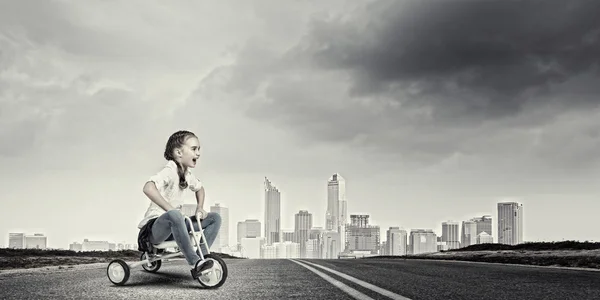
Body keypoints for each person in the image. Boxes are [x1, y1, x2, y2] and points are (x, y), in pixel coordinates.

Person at [137, 130, 221, 280]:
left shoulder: (188, 175)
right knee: (174, 215)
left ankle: (203, 258)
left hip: (177, 223)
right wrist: (171, 209)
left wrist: (200, 207)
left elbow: (200, 188)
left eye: (199, 149)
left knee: (215, 218)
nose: (198, 153)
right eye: (194, 149)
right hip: (156, 228)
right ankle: (195, 263)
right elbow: (148, 188)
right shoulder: (169, 171)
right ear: (178, 153)